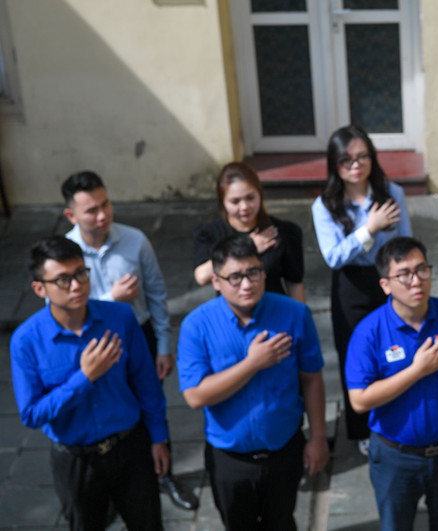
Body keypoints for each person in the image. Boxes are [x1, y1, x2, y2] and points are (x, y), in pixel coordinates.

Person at [10, 236, 169, 531]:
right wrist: (84, 378)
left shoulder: (120, 316)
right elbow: (31, 413)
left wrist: (159, 437)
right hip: (76, 459)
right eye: (63, 279)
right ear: (39, 288)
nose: (76, 285)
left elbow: (146, 382)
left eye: (81, 273)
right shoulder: (26, 340)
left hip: (130, 448)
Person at [61, 171, 198, 511]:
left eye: (106, 204)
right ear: (71, 216)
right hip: (89, 347)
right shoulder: (64, 254)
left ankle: (163, 473)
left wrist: (165, 345)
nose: (103, 215)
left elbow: (157, 294)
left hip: (139, 336)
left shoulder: (135, 240)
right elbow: (58, 311)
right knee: (104, 409)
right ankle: (110, 486)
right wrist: (111, 299)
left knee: (152, 403)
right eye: (91, 210)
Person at [177, 234, 329, 530]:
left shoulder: (294, 313)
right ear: (216, 282)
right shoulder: (197, 325)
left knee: (282, 522)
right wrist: (252, 364)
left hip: (284, 450)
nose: (247, 284)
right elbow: (195, 396)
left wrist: (319, 438)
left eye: (253, 273)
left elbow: (312, 379)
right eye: (234, 277)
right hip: (229, 458)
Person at [346, 237, 438, 530]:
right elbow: (359, 400)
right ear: (385, 285)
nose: (416, 281)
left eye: (422, 269)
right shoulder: (368, 332)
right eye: (404, 274)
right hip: (395, 458)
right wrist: (418, 370)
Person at [312, 124, 412, 453]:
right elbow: (334, 256)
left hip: (387, 280)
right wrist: (369, 229)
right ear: (334, 164)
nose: (355, 165)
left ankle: (395, 412)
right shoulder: (325, 205)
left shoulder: (392, 193)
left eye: (362, 156)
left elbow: (404, 242)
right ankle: (362, 430)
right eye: (346, 160)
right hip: (350, 285)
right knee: (355, 353)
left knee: (394, 345)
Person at [193, 161, 305, 302]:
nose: (244, 207)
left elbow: (294, 283)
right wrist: (248, 245)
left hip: (274, 312)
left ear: (260, 194)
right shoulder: (210, 233)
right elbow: (202, 276)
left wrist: (302, 319)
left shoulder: (284, 231)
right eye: (235, 201)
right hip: (232, 316)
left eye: (250, 198)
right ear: (223, 202)